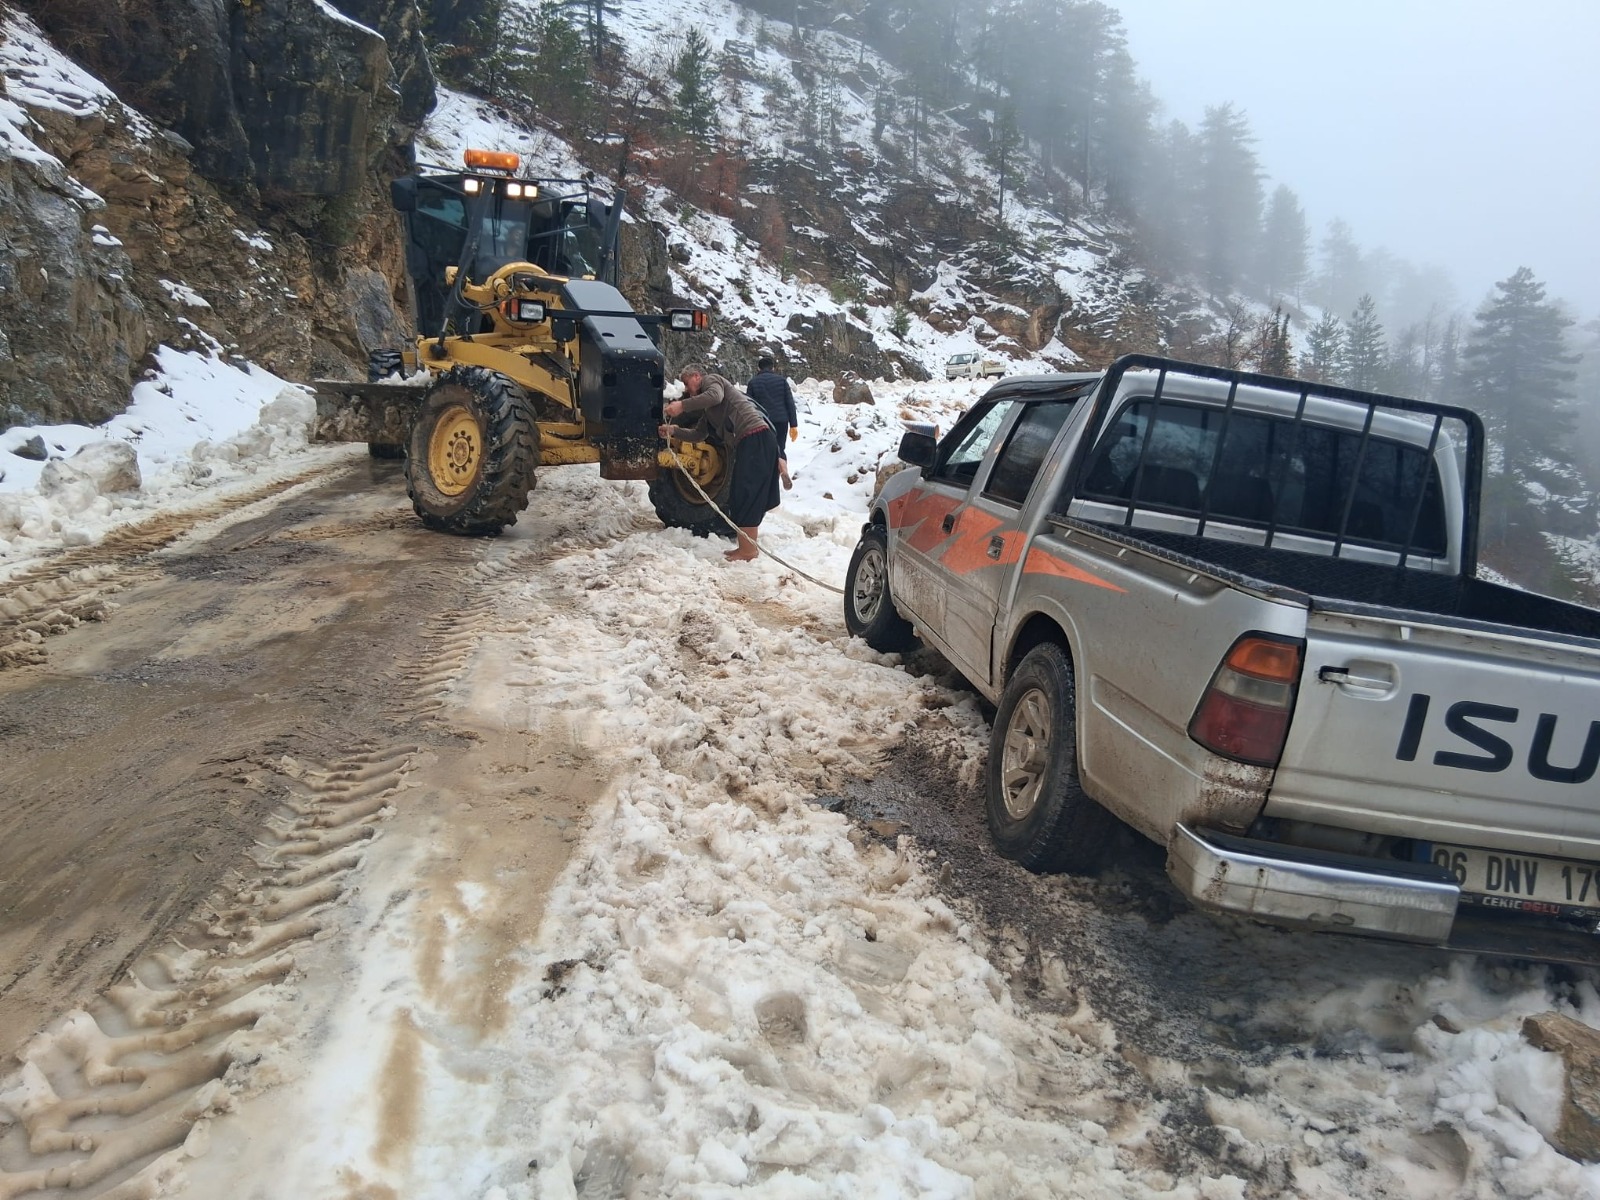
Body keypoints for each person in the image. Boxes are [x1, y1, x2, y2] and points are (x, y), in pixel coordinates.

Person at [659, 364, 780, 562]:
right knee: (741, 492)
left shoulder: (712, 380)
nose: (688, 389)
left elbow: (715, 396)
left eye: (688, 383)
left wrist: (682, 406)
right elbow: (698, 434)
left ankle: (749, 551)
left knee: (747, 492)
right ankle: (745, 547)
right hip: (751, 440)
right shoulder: (709, 412)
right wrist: (673, 431)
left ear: (697, 376)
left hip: (755, 436)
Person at [746, 355, 799, 490]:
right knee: (780, 447)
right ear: (773, 368)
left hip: (762, 422)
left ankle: (766, 480)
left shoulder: (753, 382)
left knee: (763, 450)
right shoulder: (782, 381)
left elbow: (749, 405)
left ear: (758, 368)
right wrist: (793, 424)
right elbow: (790, 403)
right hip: (781, 421)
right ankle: (784, 472)